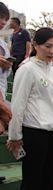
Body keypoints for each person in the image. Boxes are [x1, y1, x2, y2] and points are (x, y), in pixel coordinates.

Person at [7, 27, 53, 190]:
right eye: (48, 46)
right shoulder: (27, 69)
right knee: (33, 177)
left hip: (52, 131)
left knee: (49, 175)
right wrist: (15, 135)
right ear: (35, 45)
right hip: (33, 130)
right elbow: (18, 104)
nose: (52, 51)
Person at [0, 2, 12, 135]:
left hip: (2, 88)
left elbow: (6, 74)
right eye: (0, 17)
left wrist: (7, 66)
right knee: (10, 115)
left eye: (5, 19)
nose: (3, 22)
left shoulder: (3, 43)